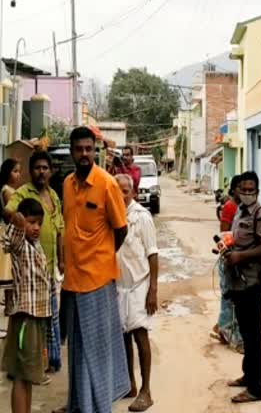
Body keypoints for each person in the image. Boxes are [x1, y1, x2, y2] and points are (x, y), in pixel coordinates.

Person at [56, 126, 129, 413]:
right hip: (72, 281)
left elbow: (120, 229)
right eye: (79, 149)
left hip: (97, 281)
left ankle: (99, 407)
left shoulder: (107, 183)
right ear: (72, 151)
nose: (84, 154)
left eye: (89, 149)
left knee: (96, 351)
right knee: (76, 348)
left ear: (95, 151)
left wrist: (101, 257)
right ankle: (79, 405)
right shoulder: (67, 184)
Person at [5, 151, 64, 374]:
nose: (41, 172)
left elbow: (60, 228)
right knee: (36, 320)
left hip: (49, 265)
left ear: (50, 171)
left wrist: (62, 259)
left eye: (45, 168)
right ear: (32, 171)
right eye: (38, 168)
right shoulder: (22, 193)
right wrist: (21, 221)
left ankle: (51, 360)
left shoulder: (53, 195)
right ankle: (34, 364)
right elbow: (9, 211)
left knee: (51, 317)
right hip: (29, 268)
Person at [224, 171, 261, 404]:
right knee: (246, 333)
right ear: (237, 190)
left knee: (253, 336)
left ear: (257, 191)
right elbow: (239, 239)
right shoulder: (239, 212)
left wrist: (241, 256)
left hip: (252, 282)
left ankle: (256, 388)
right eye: (243, 190)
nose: (247, 194)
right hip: (237, 281)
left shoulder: (260, 215)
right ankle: (248, 376)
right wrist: (227, 248)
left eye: (251, 190)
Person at [3, 198, 52, 413]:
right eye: (32, 222)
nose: (36, 228)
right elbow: (9, 239)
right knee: (22, 375)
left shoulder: (36, 246)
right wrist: (18, 222)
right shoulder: (20, 244)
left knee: (30, 375)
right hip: (25, 316)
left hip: (37, 316)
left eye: (39, 223)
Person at [115, 174, 158, 412]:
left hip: (139, 284)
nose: (120, 195)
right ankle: (129, 384)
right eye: (117, 190)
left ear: (132, 192)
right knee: (123, 337)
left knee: (140, 335)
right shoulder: (112, 215)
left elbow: (153, 253)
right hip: (119, 286)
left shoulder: (141, 217)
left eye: (124, 191)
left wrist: (152, 290)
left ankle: (146, 390)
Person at [212, 175, 243, 352]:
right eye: (241, 188)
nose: (245, 192)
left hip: (242, 257)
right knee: (230, 297)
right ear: (233, 189)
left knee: (231, 297)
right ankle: (231, 335)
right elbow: (224, 234)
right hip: (230, 257)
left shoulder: (244, 208)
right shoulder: (230, 207)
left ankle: (223, 327)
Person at [0, 158, 21, 294]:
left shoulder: (12, 190)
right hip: (10, 232)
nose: (18, 175)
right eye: (15, 171)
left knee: (11, 268)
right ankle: (8, 301)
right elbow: (12, 213)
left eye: (19, 171)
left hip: (9, 231)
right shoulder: (7, 191)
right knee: (9, 269)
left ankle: (10, 301)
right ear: (7, 173)